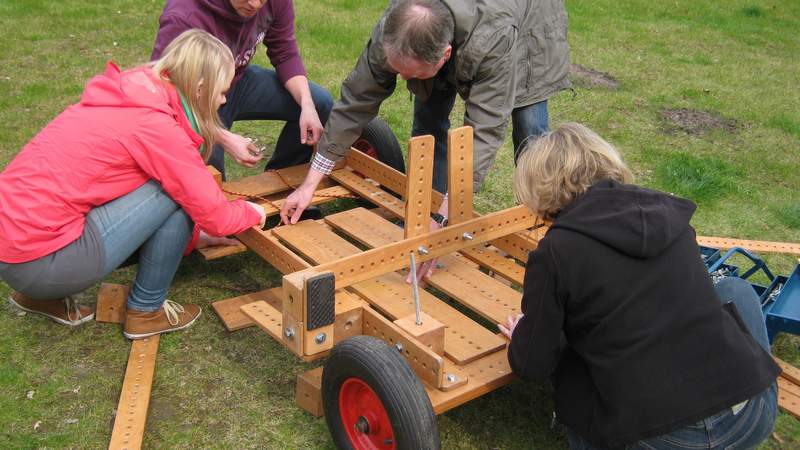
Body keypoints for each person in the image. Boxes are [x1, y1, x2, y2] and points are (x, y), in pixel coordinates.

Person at [500, 123, 780, 449]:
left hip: (659, 438)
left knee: (574, 372)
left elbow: (532, 365)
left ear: (540, 189)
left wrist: (528, 334)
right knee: (735, 289)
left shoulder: (556, 252)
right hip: (748, 418)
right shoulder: (667, 214)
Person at [0, 30, 266, 339]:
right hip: (42, 264)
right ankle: (146, 310)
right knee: (176, 187)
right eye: (222, 91)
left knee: (171, 181)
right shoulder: (156, 127)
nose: (223, 100)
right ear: (199, 88)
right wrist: (253, 212)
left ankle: (38, 295)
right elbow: (217, 217)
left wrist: (192, 238)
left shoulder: (135, 91)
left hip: (13, 251)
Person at [281, 0, 571, 226]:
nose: (405, 81)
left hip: (525, 24)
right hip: (453, 34)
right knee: (429, 119)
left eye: (411, 74)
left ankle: (545, 229)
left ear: (444, 56)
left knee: (530, 131)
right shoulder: (396, 27)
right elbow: (357, 100)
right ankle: (428, 214)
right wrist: (310, 184)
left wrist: (448, 219)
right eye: (400, 72)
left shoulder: (492, 38)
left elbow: (483, 132)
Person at [152, 0, 334, 180]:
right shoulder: (183, 15)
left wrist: (307, 105)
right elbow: (166, 95)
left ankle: (285, 186)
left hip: (238, 81)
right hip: (194, 100)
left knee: (318, 104)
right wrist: (222, 137)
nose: (255, 4)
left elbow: (285, 52)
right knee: (208, 168)